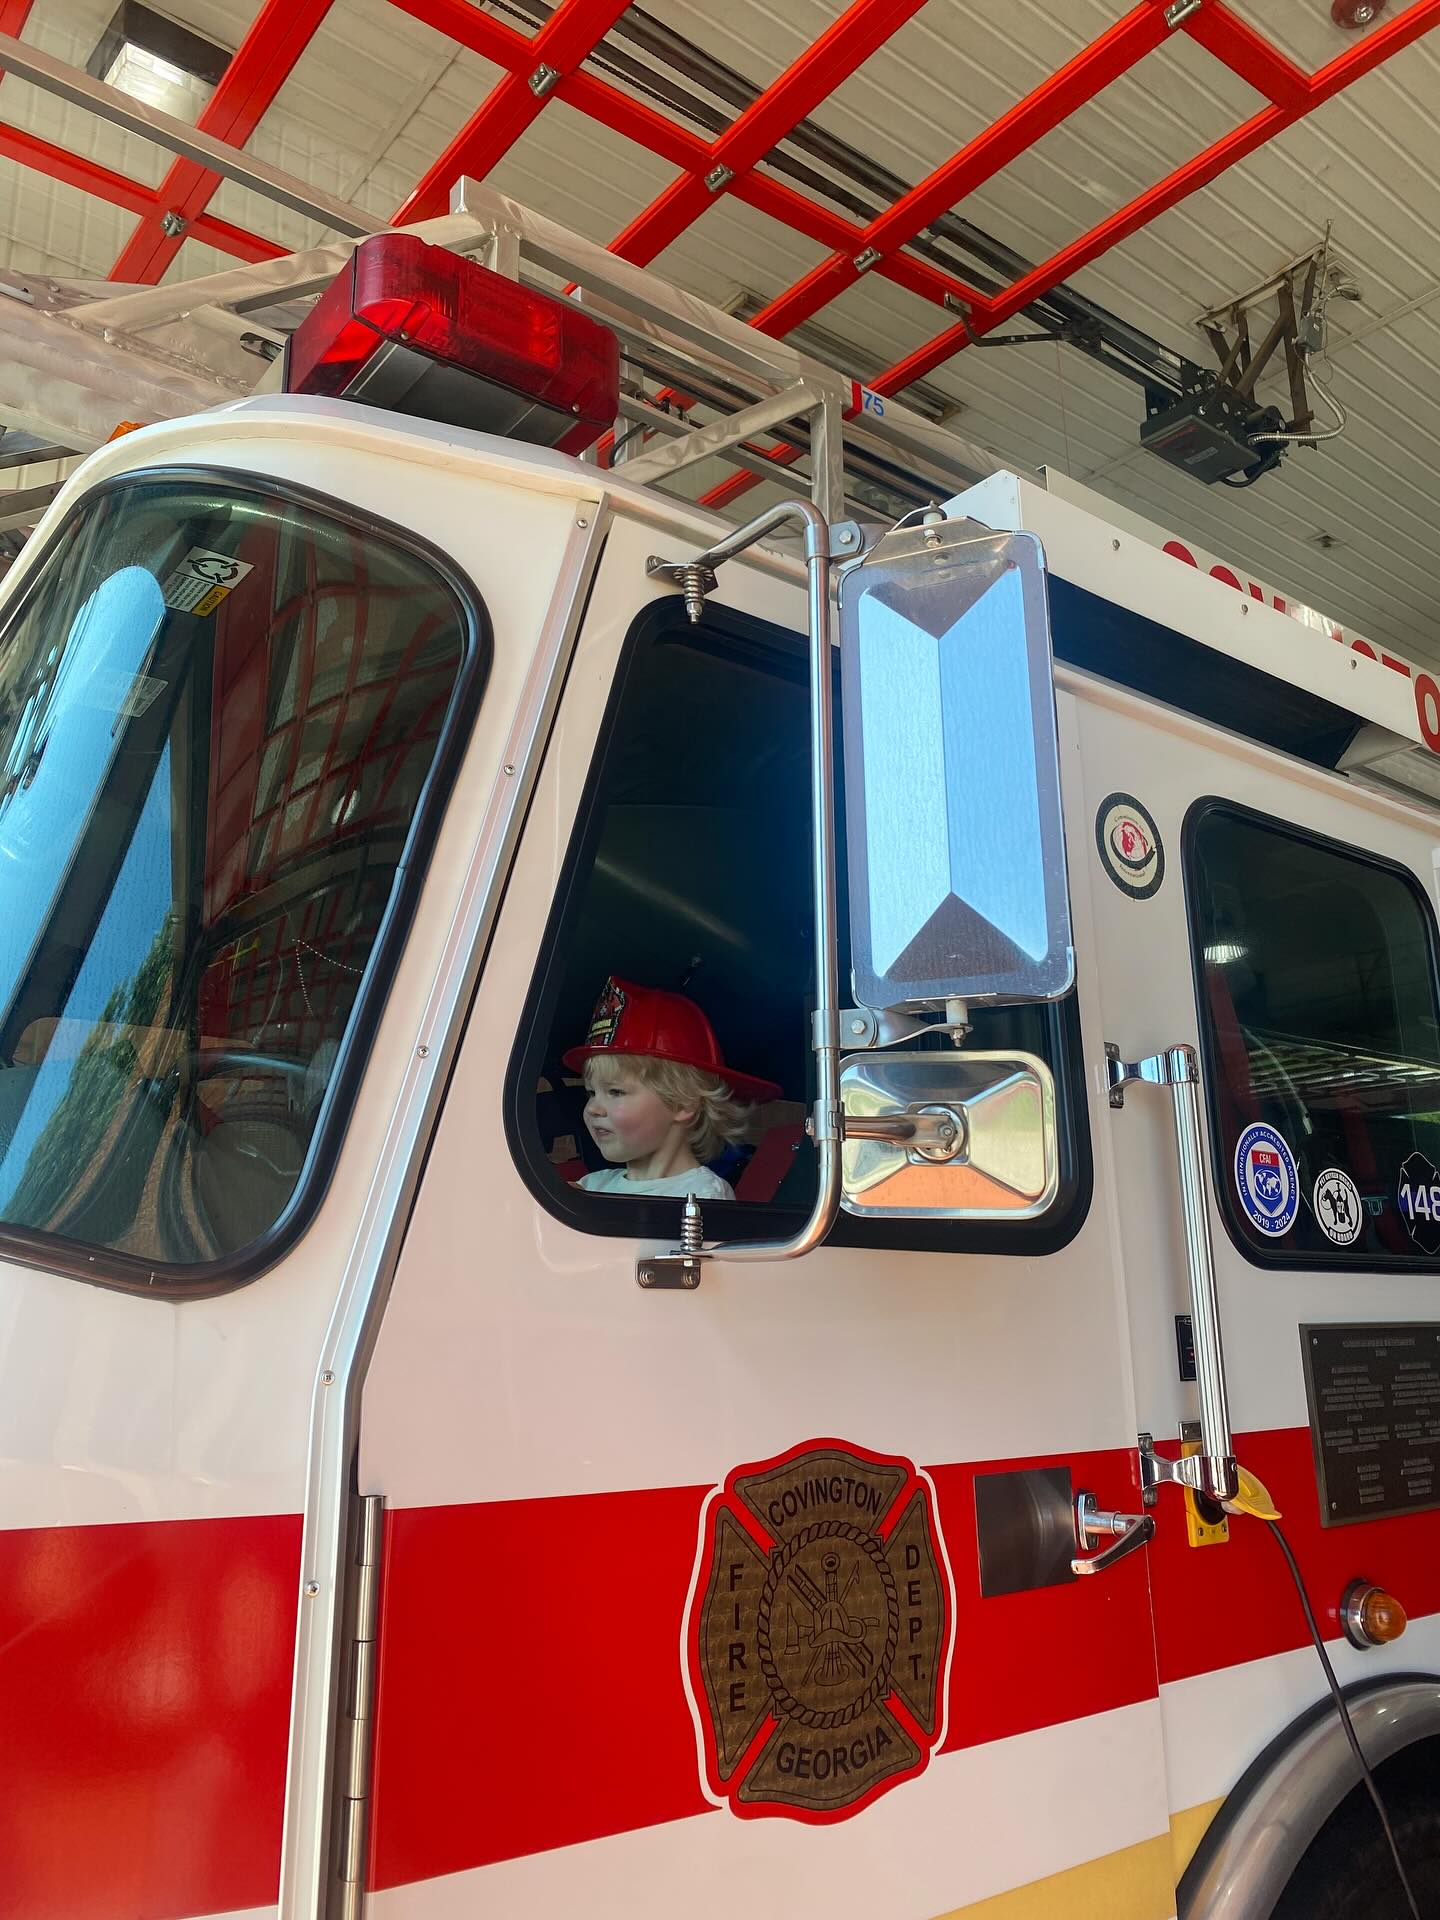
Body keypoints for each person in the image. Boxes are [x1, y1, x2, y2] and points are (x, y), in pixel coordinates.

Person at [563, 977, 779, 1200]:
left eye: (616, 1092)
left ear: (682, 1102)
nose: (593, 1109)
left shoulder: (703, 1194)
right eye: (591, 1093)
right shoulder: (592, 1185)